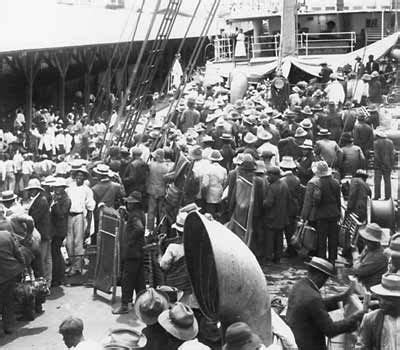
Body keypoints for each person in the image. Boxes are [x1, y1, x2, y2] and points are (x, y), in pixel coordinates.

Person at [287, 257, 364, 350]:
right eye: (326, 279)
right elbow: (331, 330)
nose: (325, 283)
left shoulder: (300, 285)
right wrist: (356, 317)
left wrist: (341, 297)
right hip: (308, 345)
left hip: (295, 338)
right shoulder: (313, 297)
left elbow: (317, 306)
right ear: (320, 277)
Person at [301, 161, 341, 263]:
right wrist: (338, 213)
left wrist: (306, 215)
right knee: (333, 238)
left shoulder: (318, 184)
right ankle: (332, 259)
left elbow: (316, 200)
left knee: (321, 239)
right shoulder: (336, 183)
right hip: (334, 214)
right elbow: (338, 200)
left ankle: (322, 260)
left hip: (322, 215)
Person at [113, 191, 146, 314]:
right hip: (139, 251)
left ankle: (125, 305)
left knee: (127, 279)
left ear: (134, 204)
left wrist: (130, 242)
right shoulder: (140, 213)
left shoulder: (135, 216)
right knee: (139, 279)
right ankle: (141, 304)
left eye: (130, 203)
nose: (128, 204)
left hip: (132, 252)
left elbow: (139, 228)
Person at [65, 166, 95, 276]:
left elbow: (90, 208)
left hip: (79, 216)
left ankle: (76, 267)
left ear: (84, 178)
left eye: (81, 176)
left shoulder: (87, 190)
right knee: (69, 242)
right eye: (77, 176)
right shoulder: (69, 188)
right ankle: (72, 263)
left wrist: (88, 226)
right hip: (69, 215)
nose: (79, 178)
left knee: (78, 242)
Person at [358, 273, 400, 349]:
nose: (382, 302)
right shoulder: (371, 319)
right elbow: (362, 347)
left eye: (389, 299)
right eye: (381, 297)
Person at [26, 178, 52, 287]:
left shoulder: (41, 201)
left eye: (34, 189)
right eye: (31, 189)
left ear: (38, 190)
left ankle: (45, 283)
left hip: (42, 233)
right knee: (46, 259)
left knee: (43, 259)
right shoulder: (38, 199)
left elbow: (34, 218)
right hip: (44, 232)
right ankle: (47, 281)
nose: (32, 191)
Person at [263, 166, 290, 264]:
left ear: (275, 175)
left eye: (269, 175)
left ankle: (269, 258)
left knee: (270, 238)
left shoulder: (272, 187)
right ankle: (278, 257)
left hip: (272, 217)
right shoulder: (284, 185)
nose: (268, 178)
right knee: (279, 238)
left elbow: (268, 203)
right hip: (282, 216)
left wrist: (263, 202)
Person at [0, 228, 25, 335]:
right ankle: (8, 326)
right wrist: (22, 265)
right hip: (10, 272)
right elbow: (18, 252)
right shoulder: (6, 235)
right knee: (8, 300)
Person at [352, 223, 388, 290]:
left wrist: (355, 254)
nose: (364, 241)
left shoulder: (380, 256)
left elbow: (358, 270)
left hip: (370, 289)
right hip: (361, 284)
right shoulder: (368, 248)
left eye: (367, 240)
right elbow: (359, 261)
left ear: (375, 242)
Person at [50, 177, 71, 287]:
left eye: (59, 187)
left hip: (59, 230)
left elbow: (61, 215)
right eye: (55, 187)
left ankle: (58, 277)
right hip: (55, 229)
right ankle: (58, 276)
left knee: (56, 253)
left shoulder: (66, 200)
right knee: (55, 253)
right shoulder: (58, 198)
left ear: (63, 188)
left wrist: (55, 204)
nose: (56, 189)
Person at [146, 149, 172, 232]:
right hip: (162, 190)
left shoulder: (151, 165)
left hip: (152, 190)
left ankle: (150, 229)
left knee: (151, 211)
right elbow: (167, 180)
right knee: (161, 211)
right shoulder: (166, 167)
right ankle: (161, 229)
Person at [202, 150, 227, 217]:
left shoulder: (208, 169)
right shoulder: (223, 170)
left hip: (210, 194)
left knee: (210, 214)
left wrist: (204, 194)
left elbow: (205, 184)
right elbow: (225, 183)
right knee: (218, 213)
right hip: (220, 193)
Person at [374, 129, 395, 200]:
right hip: (388, 164)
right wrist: (391, 164)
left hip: (378, 165)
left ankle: (377, 196)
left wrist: (380, 163)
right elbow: (392, 154)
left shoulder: (376, 143)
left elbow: (376, 155)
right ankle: (388, 196)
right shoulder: (390, 142)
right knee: (387, 181)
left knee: (377, 181)